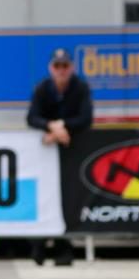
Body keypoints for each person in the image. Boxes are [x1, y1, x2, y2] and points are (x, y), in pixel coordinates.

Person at [26, 48, 93, 266]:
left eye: (65, 66)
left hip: (70, 155)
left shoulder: (80, 87)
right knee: (44, 199)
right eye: (57, 66)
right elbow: (32, 117)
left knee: (67, 199)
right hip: (45, 157)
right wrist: (51, 127)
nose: (61, 70)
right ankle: (39, 247)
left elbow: (85, 118)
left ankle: (64, 248)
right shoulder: (43, 88)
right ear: (51, 68)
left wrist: (61, 127)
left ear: (72, 68)